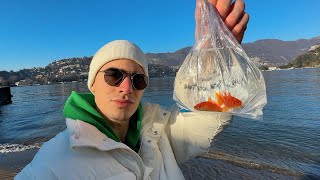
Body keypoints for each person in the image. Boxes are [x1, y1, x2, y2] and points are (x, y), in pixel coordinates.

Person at [15, 0, 249, 179]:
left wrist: (210, 58)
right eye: (114, 75)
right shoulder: (54, 161)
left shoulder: (159, 131)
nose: (126, 88)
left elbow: (208, 120)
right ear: (92, 84)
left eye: (138, 80)